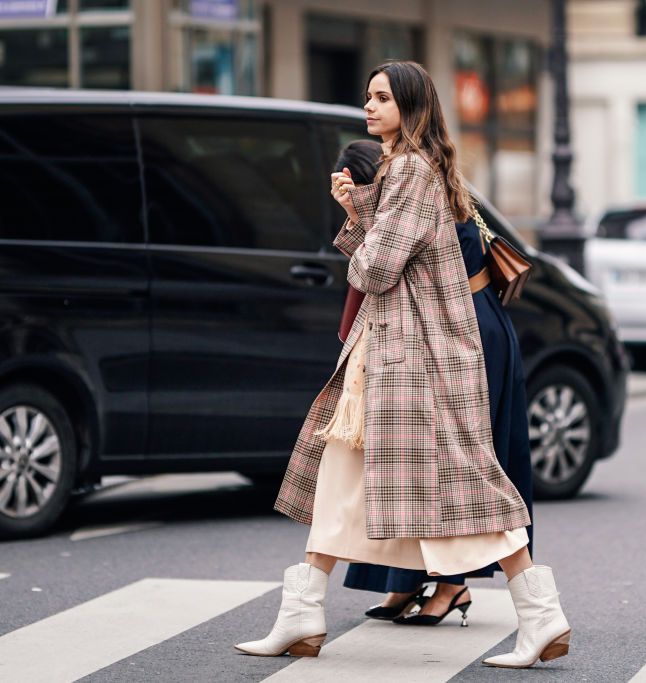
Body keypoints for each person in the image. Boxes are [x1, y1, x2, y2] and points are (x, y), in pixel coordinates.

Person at [235, 60, 569, 670]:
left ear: (409, 106)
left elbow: (377, 267)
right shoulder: (405, 169)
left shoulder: (412, 170)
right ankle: (301, 615)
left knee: (466, 492)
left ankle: (542, 617)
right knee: (341, 481)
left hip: (416, 360)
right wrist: (360, 210)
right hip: (391, 355)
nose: (369, 107)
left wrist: (363, 225)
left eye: (382, 98)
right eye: (367, 96)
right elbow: (391, 253)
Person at [335, 143, 534, 626]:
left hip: (464, 330)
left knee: (454, 463)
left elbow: (376, 270)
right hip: (462, 326)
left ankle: (452, 584)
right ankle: (404, 581)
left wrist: (354, 213)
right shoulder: (427, 181)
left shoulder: (411, 191)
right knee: (405, 463)